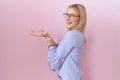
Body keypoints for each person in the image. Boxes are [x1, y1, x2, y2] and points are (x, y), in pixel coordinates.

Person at [31, 3, 87, 80]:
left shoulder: (71, 35)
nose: (67, 18)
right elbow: (61, 47)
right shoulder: (79, 35)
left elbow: (54, 63)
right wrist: (48, 37)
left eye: (72, 15)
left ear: (80, 18)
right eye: (66, 14)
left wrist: (50, 44)